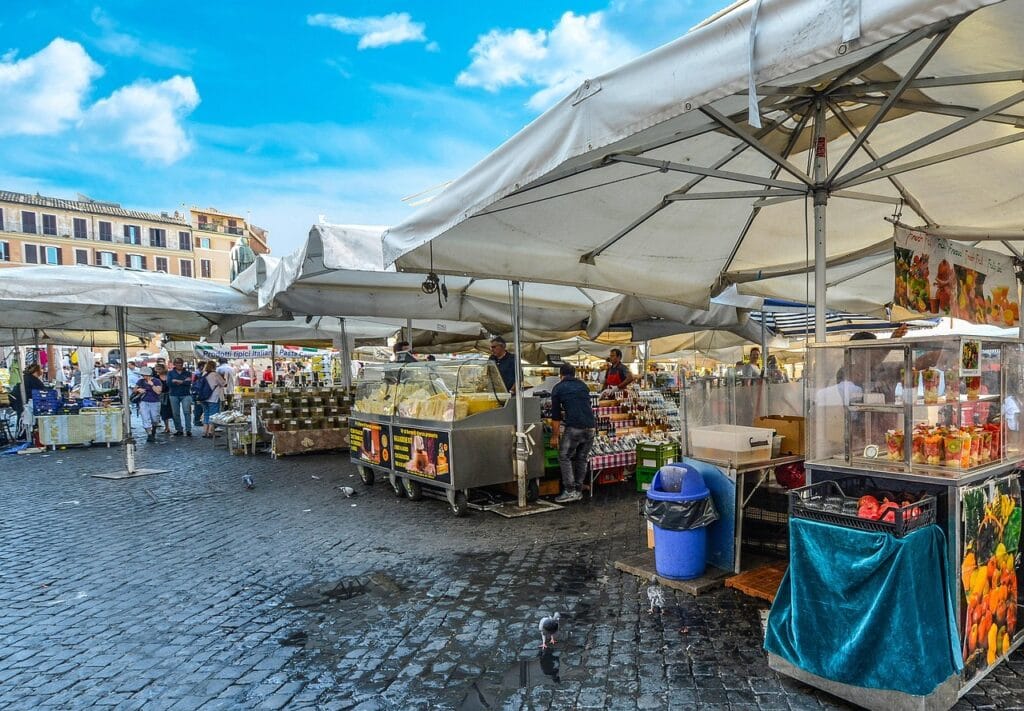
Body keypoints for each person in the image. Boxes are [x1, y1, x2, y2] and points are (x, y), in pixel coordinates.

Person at [549, 363, 597, 503]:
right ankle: (578, 488)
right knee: (582, 457)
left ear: (561, 375)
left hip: (574, 427)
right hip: (590, 426)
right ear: (575, 374)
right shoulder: (583, 385)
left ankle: (570, 491)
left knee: (564, 456)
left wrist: (554, 436)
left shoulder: (558, 388)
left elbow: (556, 416)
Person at [133, 366, 163, 443]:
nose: (144, 377)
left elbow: (158, 392)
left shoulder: (157, 381)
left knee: (155, 418)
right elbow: (134, 389)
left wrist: (152, 385)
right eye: (143, 375)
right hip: (144, 401)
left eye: (145, 375)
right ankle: (149, 434)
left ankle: (154, 429)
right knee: (145, 418)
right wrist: (138, 390)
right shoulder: (140, 381)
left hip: (155, 402)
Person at [166, 358, 194, 437]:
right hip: (174, 394)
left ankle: (188, 429)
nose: (179, 364)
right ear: (174, 364)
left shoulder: (187, 373)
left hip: (185, 394)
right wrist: (183, 381)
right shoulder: (170, 373)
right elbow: (169, 383)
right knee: (175, 413)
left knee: (187, 412)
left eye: (180, 363)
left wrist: (177, 381)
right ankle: (179, 429)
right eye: (177, 363)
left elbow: (189, 383)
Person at [201, 361, 228, 439]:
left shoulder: (204, 374)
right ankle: (210, 432)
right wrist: (223, 377)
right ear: (214, 366)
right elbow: (224, 383)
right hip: (213, 398)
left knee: (206, 414)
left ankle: (205, 431)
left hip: (204, 398)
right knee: (213, 415)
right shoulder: (215, 375)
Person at [154, 362, 173, 434]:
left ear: (163, 369)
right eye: (157, 369)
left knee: (172, 411)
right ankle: (167, 427)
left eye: (159, 369)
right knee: (163, 411)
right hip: (161, 396)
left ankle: (177, 427)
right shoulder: (155, 377)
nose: (158, 370)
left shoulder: (169, 376)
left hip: (170, 395)